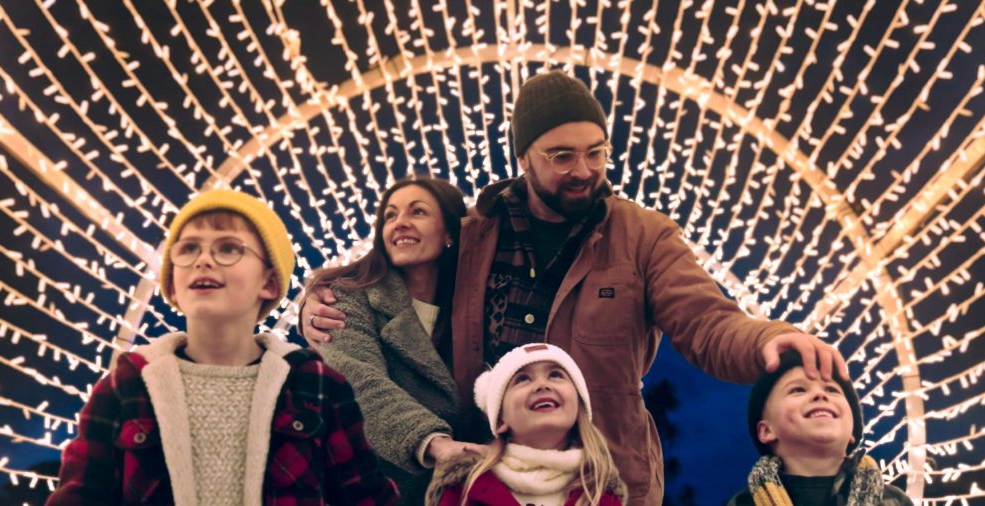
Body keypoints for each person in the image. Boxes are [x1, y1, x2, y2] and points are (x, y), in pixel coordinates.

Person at [302, 70, 848, 505]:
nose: (584, 170)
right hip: (487, 476)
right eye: (561, 156)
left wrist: (765, 342)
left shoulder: (641, 236)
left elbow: (706, 321)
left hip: (603, 476)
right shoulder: (473, 235)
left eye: (596, 152)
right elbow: (392, 282)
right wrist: (320, 296)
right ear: (523, 159)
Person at [49, 189, 398, 505]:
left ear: (269, 280)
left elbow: (365, 497)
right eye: (187, 249)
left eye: (229, 248)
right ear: (172, 281)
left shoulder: (317, 386)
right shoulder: (124, 387)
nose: (203, 259)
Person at [301, 177, 483, 504]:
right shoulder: (346, 298)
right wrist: (433, 444)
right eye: (390, 216)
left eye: (418, 212)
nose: (400, 223)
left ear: (450, 234)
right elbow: (358, 383)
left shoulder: (475, 306)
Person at [426, 343, 625, 506]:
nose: (542, 385)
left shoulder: (601, 493)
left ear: (578, 407)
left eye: (555, 375)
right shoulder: (464, 489)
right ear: (501, 419)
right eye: (522, 379)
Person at [728, 350, 912, 506]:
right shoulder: (745, 502)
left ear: (852, 432)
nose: (819, 394)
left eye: (832, 390)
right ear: (766, 431)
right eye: (798, 389)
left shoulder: (893, 500)